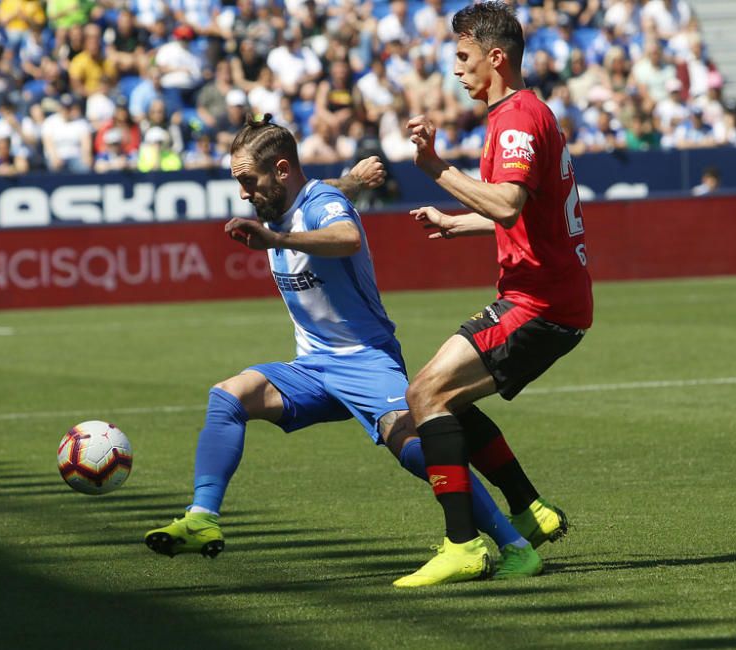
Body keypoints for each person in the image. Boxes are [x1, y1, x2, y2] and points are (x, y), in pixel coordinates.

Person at [143, 115, 543, 582]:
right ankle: (202, 518)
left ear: (282, 171)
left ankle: (514, 546)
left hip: (366, 359)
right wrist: (354, 178)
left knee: (416, 450)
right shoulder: (290, 200)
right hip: (313, 367)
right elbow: (325, 189)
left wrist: (276, 239)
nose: (244, 193)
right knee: (228, 397)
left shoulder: (313, 209)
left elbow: (345, 235)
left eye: (248, 180)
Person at [397, 2, 592, 588]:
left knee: (425, 393)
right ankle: (528, 511)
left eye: (462, 56)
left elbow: (506, 203)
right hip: (549, 298)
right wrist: (456, 222)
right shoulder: (523, 113)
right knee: (442, 397)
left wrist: (436, 167)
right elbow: (526, 215)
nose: (455, 69)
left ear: (495, 57)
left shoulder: (515, 121)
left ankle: (463, 545)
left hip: (541, 304)